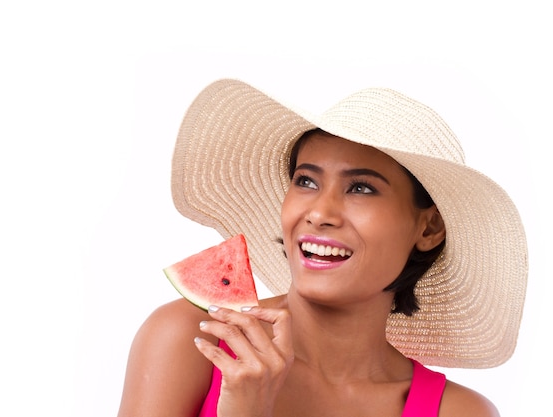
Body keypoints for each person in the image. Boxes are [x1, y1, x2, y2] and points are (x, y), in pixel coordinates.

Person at [116, 79, 528, 417]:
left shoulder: (457, 412)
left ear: (429, 227)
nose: (319, 212)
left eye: (361, 188)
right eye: (306, 181)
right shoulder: (192, 340)